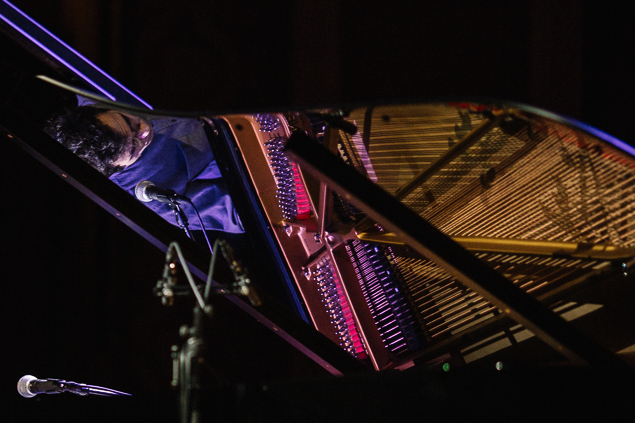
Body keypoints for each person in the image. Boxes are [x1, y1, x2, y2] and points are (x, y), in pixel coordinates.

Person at [45, 105, 244, 234]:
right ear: (116, 169)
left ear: (98, 107)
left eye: (129, 122)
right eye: (133, 148)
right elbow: (235, 213)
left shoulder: (97, 87)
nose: (144, 131)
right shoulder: (147, 195)